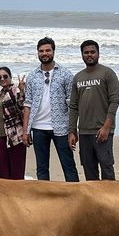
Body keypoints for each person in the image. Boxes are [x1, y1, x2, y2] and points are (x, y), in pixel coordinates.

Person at [23, 37, 79, 182]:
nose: (44, 53)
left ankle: (74, 197)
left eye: (48, 50)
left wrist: (73, 130)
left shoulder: (65, 74)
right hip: (38, 127)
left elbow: (72, 104)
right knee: (41, 168)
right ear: (37, 53)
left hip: (61, 127)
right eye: (41, 51)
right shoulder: (32, 76)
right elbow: (27, 104)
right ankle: (45, 199)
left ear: (53, 51)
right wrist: (26, 131)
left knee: (68, 165)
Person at [68, 40, 119, 181]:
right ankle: (94, 202)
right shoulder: (78, 77)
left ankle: (110, 202)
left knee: (106, 167)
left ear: (98, 54)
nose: (89, 55)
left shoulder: (108, 73)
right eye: (86, 52)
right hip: (84, 132)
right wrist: (72, 131)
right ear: (82, 55)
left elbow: (114, 101)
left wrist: (106, 127)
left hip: (102, 131)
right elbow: (73, 106)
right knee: (89, 170)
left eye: (92, 52)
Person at [0, 67, 26, 179]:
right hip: (0, 135)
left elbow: (22, 107)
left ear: (10, 77)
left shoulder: (15, 91)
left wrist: (22, 91)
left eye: (5, 76)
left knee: (17, 169)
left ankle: (18, 194)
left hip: (15, 135)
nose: (2, 79)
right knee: (3, 170)